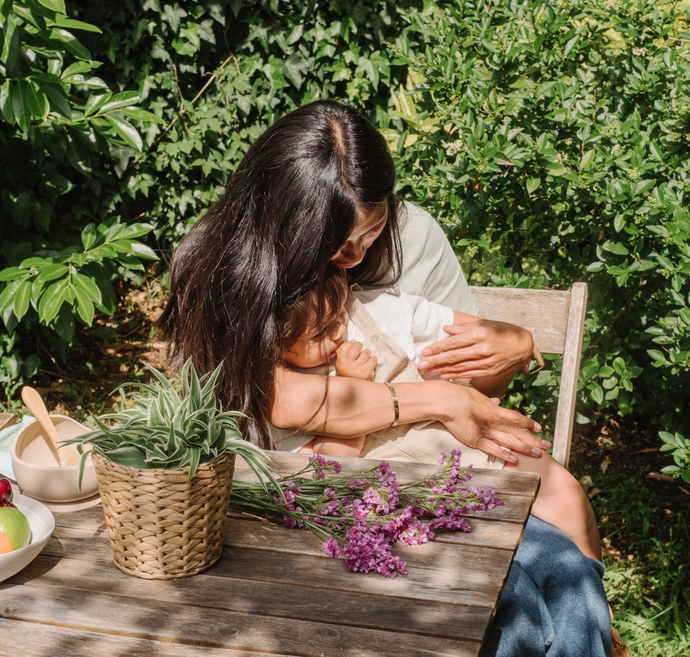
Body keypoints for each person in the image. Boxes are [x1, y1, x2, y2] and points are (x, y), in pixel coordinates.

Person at [158, 99, 613, 656]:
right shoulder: (222, 263)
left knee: (560, 567)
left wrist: (512, 348)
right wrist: (438, 399)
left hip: (421, 473)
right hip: (287, 497)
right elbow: (279, 398)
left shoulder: (409, 238)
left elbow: (469, 387)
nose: (352, 256)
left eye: (369, 234)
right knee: (520, 600)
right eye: (334, 241)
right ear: (286, 222)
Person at [276, 265, 601, 559]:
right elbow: (335, 468)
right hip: (406, 492)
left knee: (569, 498)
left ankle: (599, 603)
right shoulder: (286, 384)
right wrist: (351, 388)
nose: (337, 332)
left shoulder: (380, 312)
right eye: (319, 334)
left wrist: (512, 342)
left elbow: (475, 337)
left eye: (339, 317)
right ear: (276, 345)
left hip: (465, 444)